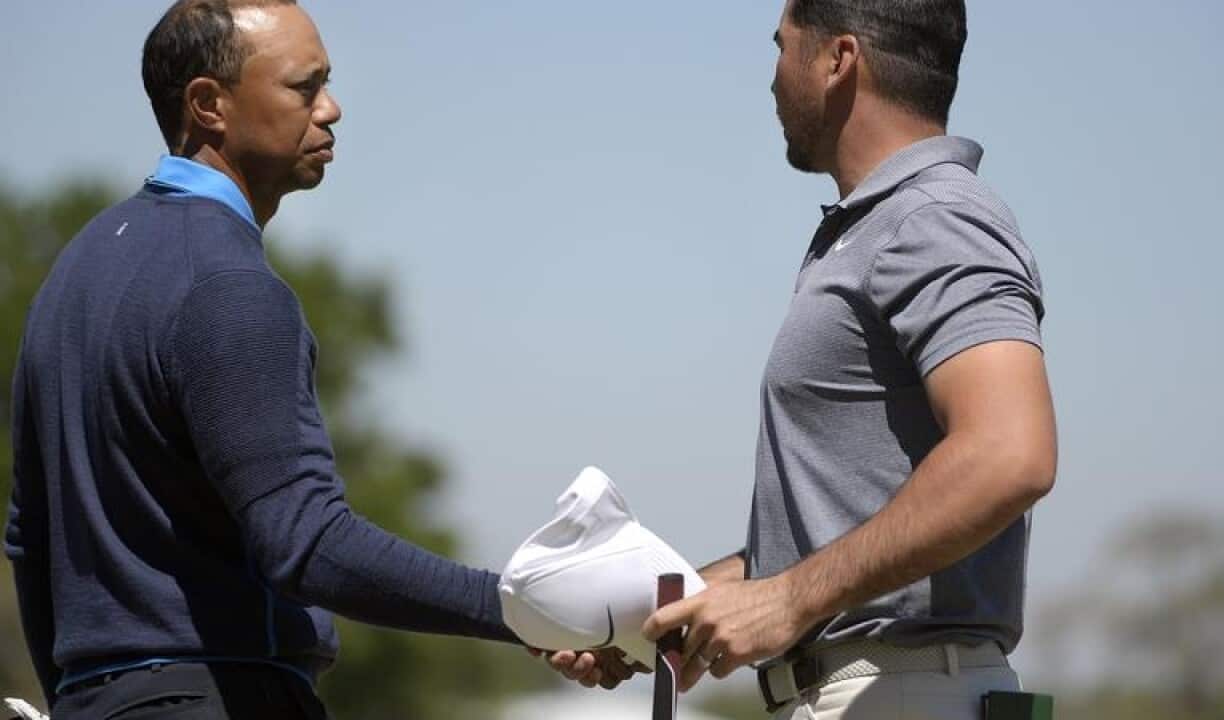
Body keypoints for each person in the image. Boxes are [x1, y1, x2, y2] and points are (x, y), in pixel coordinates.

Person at [3, 1, 628, 717]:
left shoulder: (72, 273)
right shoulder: (228, 286)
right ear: (208, 104)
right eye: (305, 87)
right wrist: (525, 608)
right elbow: (306, 540)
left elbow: (29, 540)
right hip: (225, 696)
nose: (331, 109)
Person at [639, 1, 1058, 718]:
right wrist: (676, 609)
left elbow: (1010, 454)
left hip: (897, 695)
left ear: (838, 60)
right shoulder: (879, 228)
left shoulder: (933, 217)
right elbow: (843, 535)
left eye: (781, 47)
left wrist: (790, 599)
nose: (772, 79)